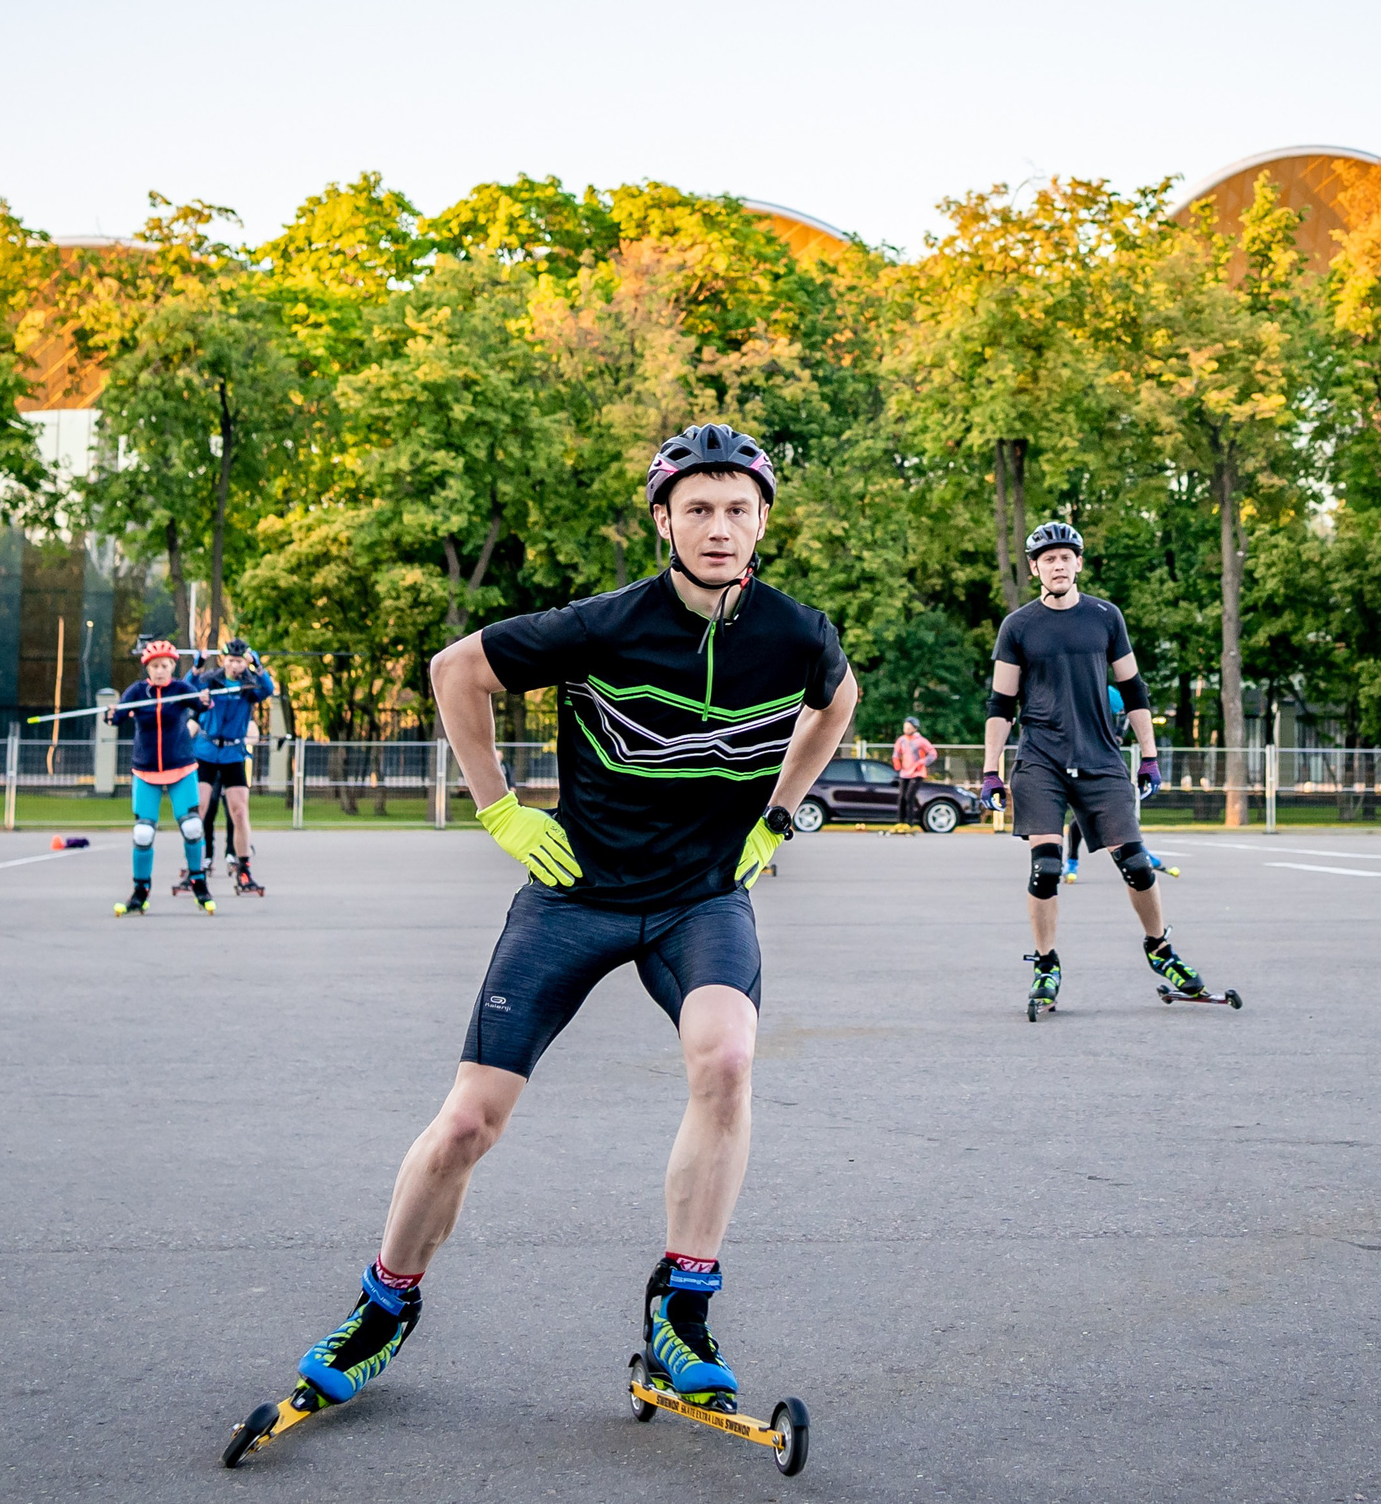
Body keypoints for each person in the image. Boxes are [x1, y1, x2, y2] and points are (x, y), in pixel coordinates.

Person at [270, 423, 855, 1423]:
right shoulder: (602, 624)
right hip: (577, 892)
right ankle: (383, 1306)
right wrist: (499, 810)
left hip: (702, 896)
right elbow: (457, 670)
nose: (719, 527)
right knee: (468, 1119)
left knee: (726, 1059)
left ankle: (682, 1310)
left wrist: (780, 815)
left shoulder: (799, 634)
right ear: (664, 520)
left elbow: (835, 702)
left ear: (763, 521)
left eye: (738, 509)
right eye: (699, 508)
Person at [980, 521, 1215, 1016]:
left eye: (1066, 557)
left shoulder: (1105, 617)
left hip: (1101, 757)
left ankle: (1159, 948)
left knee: (1135, 863)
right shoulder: (1017, 626)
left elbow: (1133, 690)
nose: (1058, 565)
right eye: (1048, 559)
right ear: (1034, 569)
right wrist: (990, 771)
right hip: (1041, 760)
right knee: (1046, 868)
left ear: (1079, 563)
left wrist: (1149, 757)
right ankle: (1046, 964)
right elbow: (1000, 703)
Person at [108, 638, 213, 916]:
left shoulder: (180, 689)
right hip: (146, 770)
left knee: (192, 827)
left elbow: (201, 705)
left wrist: (205, 700)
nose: (159, 671)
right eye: (154, 666)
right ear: (147, 668)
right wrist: (111, 715)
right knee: (143, 833)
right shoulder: (137, 691)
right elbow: (116, 719)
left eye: (164, 666)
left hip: (181, 768)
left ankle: (198, 883)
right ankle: (140, 892)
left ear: (172, 667)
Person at [193, 638, 276, 896]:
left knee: (239, 812)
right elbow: (188, 688)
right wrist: (196, 667)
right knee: (200, 808)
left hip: (233, 753)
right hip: (206, 751)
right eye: (230, 660)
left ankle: (243, 868)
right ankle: (196, 866)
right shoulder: (211, 680)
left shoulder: (249, 685)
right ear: (224, 660)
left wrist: (258, 667)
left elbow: (268, 689)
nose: (234, 665)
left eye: (239, 661)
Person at [1062, 683, 1130, 881]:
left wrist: (1118, 734)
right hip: (1072, 756)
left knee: (1113, 807)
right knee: (1076, 812)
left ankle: (1133, 849)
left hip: (1101, 758)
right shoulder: (1067, 688)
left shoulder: (1104, 690)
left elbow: (1125, 710)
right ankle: (1067, 859)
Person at [890, 715, 937, 827]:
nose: (906, 730)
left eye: (909, 728)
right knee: (901, 798)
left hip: (916, 773)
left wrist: (921, 763)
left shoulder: (921, 741)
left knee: (909, 797)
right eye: (905, 727)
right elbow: (896, 752)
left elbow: (933, 753)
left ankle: (909, 823)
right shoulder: (901, 740)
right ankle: (900, 823)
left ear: (915, 728)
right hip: (904, 773)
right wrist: (896, 761)